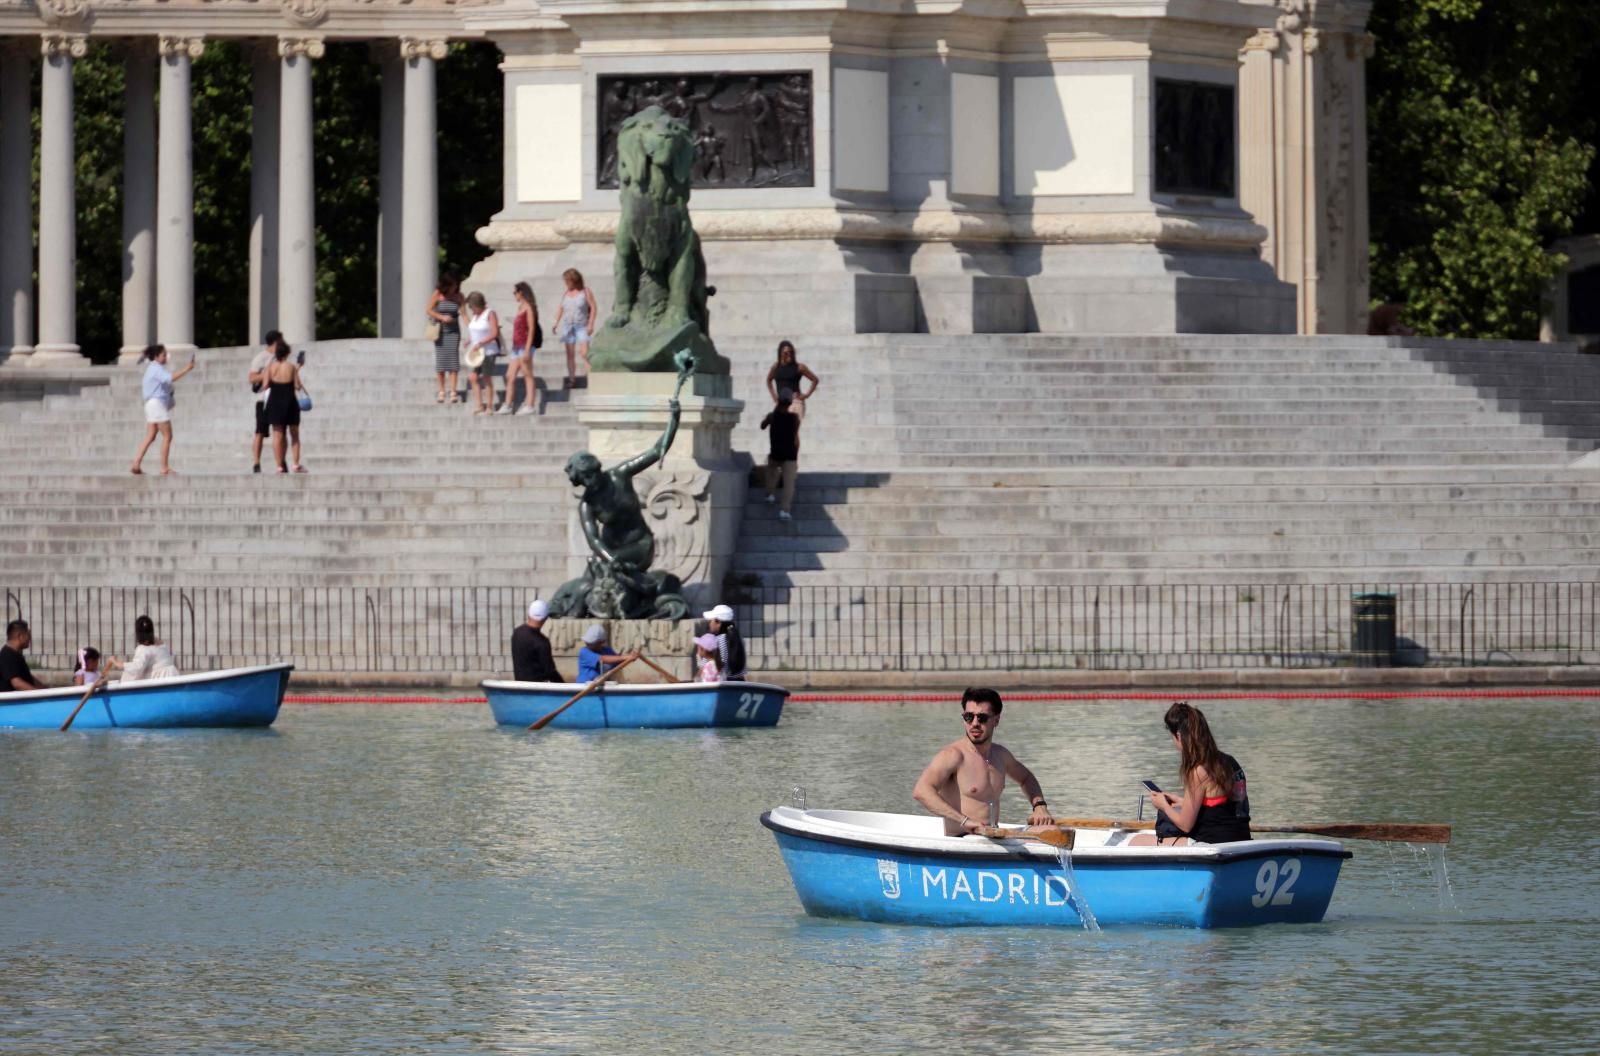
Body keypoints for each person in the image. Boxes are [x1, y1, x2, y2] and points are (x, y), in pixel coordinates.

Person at [912, 688, 1055, 837]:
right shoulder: (953, 755)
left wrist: (1039, 806)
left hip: (993, 836)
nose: (974, 723)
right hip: (963, 838)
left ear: (996, 720)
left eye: (982, 718)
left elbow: (1026, 778)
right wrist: (964, 821)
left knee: (1052, 830)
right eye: (969, 717)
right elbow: (921, 791)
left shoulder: (1001, 755)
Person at [1131, 701, 1250, 846]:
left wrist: (1163, 806)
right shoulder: (1229, 762)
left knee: (1136, 841)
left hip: (1211, 843)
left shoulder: (1198, 770)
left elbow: (1185, 825)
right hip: (1241, 838)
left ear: (1179, 736)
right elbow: (1222, 808)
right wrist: (1181, 801)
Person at [130, 344, 196, 476]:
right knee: (167, 435)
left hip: (150, 405)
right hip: (156, 405)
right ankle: (164, 468)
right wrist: (188, 368)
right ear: (156, 356)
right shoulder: (156, 368)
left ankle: (136, 463)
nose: (166, 357)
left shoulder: (152, 369)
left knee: (151, 435)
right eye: (163, 355)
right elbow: (170, 378)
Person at [263, 340, 310, 473]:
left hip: (275, 401)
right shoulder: (291, 367)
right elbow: (297, 386)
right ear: (287, 353)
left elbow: (265, 385)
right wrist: (298, 368)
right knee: (294, 434)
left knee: (277, 434)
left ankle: (279, 465)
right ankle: (296, 464)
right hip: (290, 401)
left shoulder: (270, 367)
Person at [551, 268, 598, 389]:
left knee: (585, 353)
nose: (566, 283)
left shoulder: (585, 291)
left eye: (567, 281)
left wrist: (591, 324)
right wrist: (555, 323)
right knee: (570, 354)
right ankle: (572, 379)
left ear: (574, 280)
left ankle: (591, 378)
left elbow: (593, 307)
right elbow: (561, 308)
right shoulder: (566, 293)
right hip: (568, 326)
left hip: (582, 325)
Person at [760, 389, 800, 521]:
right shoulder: (794, 418)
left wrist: (772, 414)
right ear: (790, 403)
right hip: (790, 454)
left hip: (776, 452)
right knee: (789, 484)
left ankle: (770, 494)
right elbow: (795, 436)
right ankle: (785, 510)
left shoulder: (772, 416)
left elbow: (762, 426)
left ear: (778, 401)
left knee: (771, 471)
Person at [502, 281, 540, 416]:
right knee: (510, 375)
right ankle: (507, 405)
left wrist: (527, 349)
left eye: (515, 293)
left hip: (525, 346)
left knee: (527, 374)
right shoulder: (520, 307)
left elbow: (531, 329)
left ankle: (530, 405)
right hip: (516, 346)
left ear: (521, 292)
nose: (514, 295)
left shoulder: (528, 307)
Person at [463, 291, 502, 415]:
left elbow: (494, 333)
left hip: (488, 351)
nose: (471, 310)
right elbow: (475, 331)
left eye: (472, 307)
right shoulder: (475, 316)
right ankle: (479, 405)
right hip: (476, 352)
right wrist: (469, 340)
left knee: (486, 377)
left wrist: (481, 342)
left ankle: (489, 405)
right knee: (473, 377)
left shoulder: (490, 313)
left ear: (477, 304)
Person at [249, 330, 282, 473]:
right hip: (263, 398)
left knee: (279, 431)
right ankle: (256, 462)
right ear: (275, 342)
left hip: (278, 397)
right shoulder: (261, 358)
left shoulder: (281, 357)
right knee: (260, 432)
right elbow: (252, 378)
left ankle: (280, 462)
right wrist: (268, 373)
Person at [428, 274, 464, 404]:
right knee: (441, 361)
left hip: (454, 332)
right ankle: (442, 391)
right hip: (441, 331)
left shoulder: (459, 296)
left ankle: (453, 391)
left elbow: (464, 313)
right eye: (452, 285)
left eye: (456, 285)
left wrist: (471, 328)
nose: (454, 287)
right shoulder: (438, 294)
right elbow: (429, 310)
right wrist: (442, 317)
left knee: (453, 361)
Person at [511, 600, 566, 683]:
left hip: (520, 684)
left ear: (529, 614)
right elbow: (550, 671)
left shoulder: (517, 633)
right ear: (545, 618)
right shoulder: (542, 642)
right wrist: (563, 685)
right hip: (538, 686)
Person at [765, 340, 818, 422]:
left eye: (791, 352)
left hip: (795, 402)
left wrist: (806, 395)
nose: (789, 354)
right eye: (786, 353)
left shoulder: (799, 367)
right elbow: (768, 380)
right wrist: (774, 397)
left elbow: (815, 380)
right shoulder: (776, 367)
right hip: (782, 403)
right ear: (780, 353)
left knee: (790, 427)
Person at [120, 615, 179, 682]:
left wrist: (119, 664)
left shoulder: (143, 649)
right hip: (172, 677)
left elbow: (136, 668)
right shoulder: (161, 644)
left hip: (159, 681)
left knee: (128, 674)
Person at [701, 604, 747, 680]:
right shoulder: (739, 638)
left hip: (722, 682)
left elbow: (707, 665)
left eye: (711, 621)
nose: (709, 624)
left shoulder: (716, 640)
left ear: (718, 622)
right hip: (739, 682)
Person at [1, 619, 45, 692]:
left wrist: (47, 690)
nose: (30, 639)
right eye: (28, 635)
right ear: (20, 636)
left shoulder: (16, 655)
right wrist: (39, 694)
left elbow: (29, 678)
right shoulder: (7, 656)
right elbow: (17, 683)